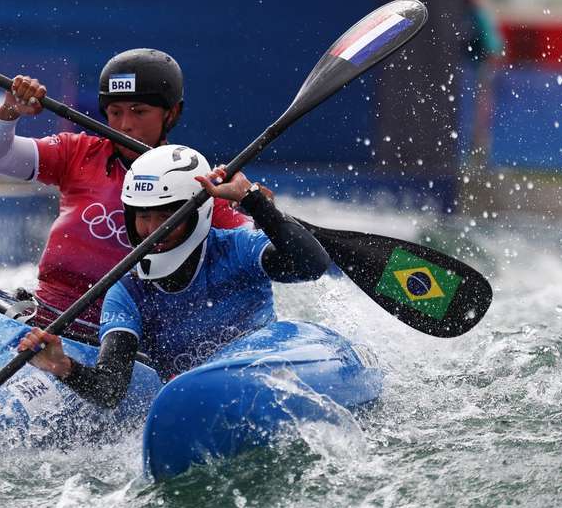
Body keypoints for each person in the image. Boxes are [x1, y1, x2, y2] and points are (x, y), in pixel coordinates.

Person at [0, 49, 261, 337]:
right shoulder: (78, 153)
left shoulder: (199, 185)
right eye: (115, 112)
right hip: (44, 317)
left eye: (139, 111)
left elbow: (257, 257)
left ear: (171, 113)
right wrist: (10, 110)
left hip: (122, 342)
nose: (125, 124)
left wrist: (255, 201)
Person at [17, 145, 330, 408]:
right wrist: (63, 367)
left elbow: (311, 266)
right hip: (195, 405)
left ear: (198, 214)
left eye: (166, 216)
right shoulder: (126, 292)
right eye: (143, 216)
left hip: (265, 381)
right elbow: (110, 391)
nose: (153, 230)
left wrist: (253, 200)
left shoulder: (237, 248)